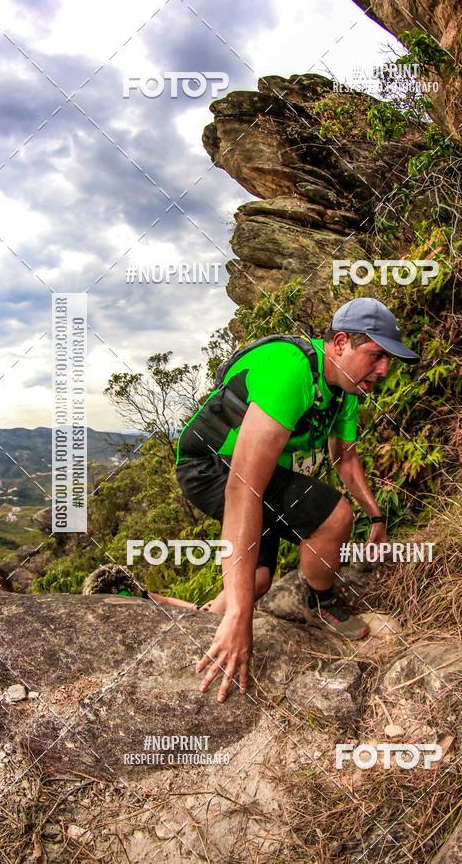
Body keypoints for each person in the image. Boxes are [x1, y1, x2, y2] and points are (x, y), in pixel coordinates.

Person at [175, 298, 420, 702]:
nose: (383, 370)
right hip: (210, 466)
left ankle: (196, 623)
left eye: (387, 360)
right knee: (333, 517)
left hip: (260, 473)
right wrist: (242, 616)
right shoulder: (291, 371)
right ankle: (318, 602)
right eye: (376, 355)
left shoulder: (345, 388)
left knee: (256, 579)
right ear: (340, 343)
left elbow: (345, 455)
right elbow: (243, 488)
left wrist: (376, 515)